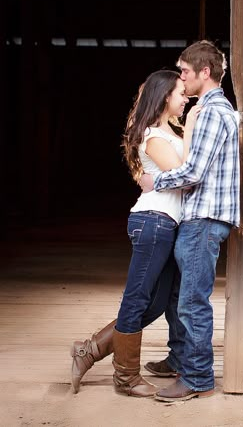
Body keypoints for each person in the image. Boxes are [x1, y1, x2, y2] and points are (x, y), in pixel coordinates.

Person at [70, 69, 201, 397]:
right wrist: (192, 130)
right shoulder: (154, 136)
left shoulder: (168, 131)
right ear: (164, 97)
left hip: (167, 224)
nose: (185, 99)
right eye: (180, 94)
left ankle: (88, 351)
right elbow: (184, 174)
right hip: (153, 221)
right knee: (137, 298)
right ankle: (125, 378)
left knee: (155, 303)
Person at [140, 40, 240, 402]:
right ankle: (180, 358)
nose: (180, 78)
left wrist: (156, 182)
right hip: (198, 217)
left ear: (205, 72)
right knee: (181, 297)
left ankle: (198, 378)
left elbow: (194, 171)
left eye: (184, 71)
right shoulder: (208, 111)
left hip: (204, 218)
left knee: (193, 301)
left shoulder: (213, 112)